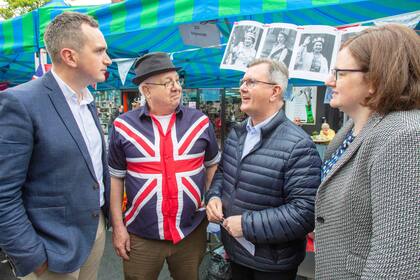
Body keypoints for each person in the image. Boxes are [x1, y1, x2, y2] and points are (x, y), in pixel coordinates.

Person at [0, 12, 111, 279]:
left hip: (94, 233)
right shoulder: (20, 102)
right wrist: (32, 258)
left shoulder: (88, 100)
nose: (108, 59)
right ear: (70, 56)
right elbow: (3, 193)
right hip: (50, 250)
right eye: (99, 51)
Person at [315, 24, 420, 279]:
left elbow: (397, 259)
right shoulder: (349, 132)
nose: (329, 81)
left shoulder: (404, 135)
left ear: (374, 80)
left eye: (340, 73)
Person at [206, 58, 322, 280]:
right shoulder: (237, 133)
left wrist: (246, 225)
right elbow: (222, 174)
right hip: (236, 252)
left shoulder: (299, 145)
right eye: (242, 81)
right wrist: (213, 197)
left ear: (274, 91)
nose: (242, 87)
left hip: (272, 265)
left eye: (250, 82)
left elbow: (305, 213)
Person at [108, 52, 220, 280]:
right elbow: (116, 178)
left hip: (190, 232)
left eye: (177, 81)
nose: (176, 87)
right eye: (167, 82)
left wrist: (211, 200)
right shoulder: (123, 127)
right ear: (147, 90)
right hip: (141, 234)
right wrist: (118, 227)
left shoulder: (200, 122)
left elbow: (212, 166)